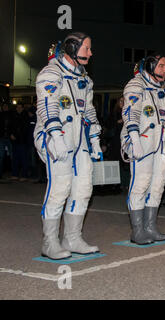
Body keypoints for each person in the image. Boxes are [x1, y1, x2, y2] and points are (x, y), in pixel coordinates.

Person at [34, 32, 103, 260]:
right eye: (87, 49)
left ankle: (72, 238)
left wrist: (94, 138)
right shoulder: (52, 73)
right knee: (60, 188)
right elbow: (47, 104)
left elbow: (88, 109)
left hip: (79, 138)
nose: (91, 53)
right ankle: (49, 242)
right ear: (72, 49)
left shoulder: (84, 78)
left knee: (83, 187)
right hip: (57, 136)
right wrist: (55, 135)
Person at [120, 54, 165, 244]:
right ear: (150, 66)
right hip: (141, 142)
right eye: (161, 66)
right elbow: (129, 113)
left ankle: (150, 227)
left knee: (157, 186)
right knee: (141, 184)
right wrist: (134, 139)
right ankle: (138, 230)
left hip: (160, 145)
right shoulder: (136, 85)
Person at [8, 104, 31, 181]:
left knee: (24, 159)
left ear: (23, 108)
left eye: (20, 107)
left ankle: (24, 175)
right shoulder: (13, 116)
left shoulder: (26, 116)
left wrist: (17, 136)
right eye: (17, 107)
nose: (18, 108)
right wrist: (10, 134)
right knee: (15, 159)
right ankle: (15, 174)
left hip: (23, 141)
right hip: (15, 141)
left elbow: (25, 129)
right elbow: (10, 126)